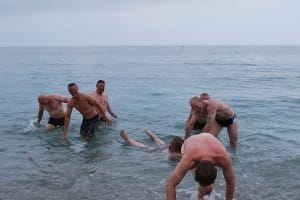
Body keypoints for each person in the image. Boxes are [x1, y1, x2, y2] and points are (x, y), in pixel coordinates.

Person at [165, 133, 235, 200]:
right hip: (189, 144)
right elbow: (170, 184)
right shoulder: (189, 160)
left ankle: (201, 195)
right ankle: (200, 196)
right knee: (207, 188)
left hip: (209, 141)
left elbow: (230, 182)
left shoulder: (224, 158)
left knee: (208, 188)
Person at [120, 129, 184, 161]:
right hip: (163, 149)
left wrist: (151, 156)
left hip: (157, 151)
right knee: (162, 143)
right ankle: (153, 136)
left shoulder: (173, 155)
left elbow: (158, 158)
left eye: (171, 145)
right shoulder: (177, 151)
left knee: (146, 147)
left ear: (175, 149)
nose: (170, 145)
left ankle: (129, 140)